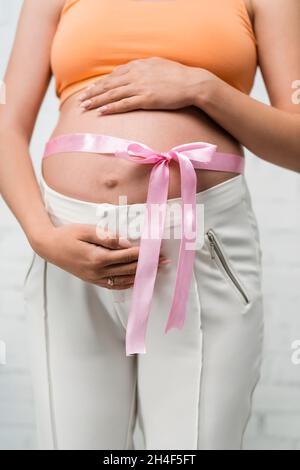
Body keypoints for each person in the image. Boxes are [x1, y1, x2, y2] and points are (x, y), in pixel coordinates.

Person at [0, 0, 299, 451]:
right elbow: (6, 124)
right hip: (67, 248)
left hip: (200, 246)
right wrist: (42, 236)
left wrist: (203, 88)